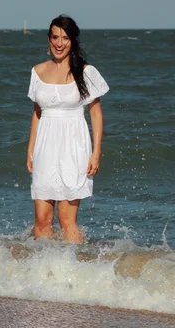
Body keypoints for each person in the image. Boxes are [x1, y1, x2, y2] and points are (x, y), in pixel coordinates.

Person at [26, 15, 109, 243]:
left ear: (73, 40)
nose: (59, 43)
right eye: (55, 37)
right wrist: (30, 149)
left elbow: (95, 113)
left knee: (66, 219)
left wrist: (96, 152)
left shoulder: (86, 71)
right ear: (49, 39)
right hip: (45, 148)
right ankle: (43, 268)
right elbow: (37, 112)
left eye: (65, 38)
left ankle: (76, 268)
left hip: (74, 146)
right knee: (42, 218)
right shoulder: (38, 71)